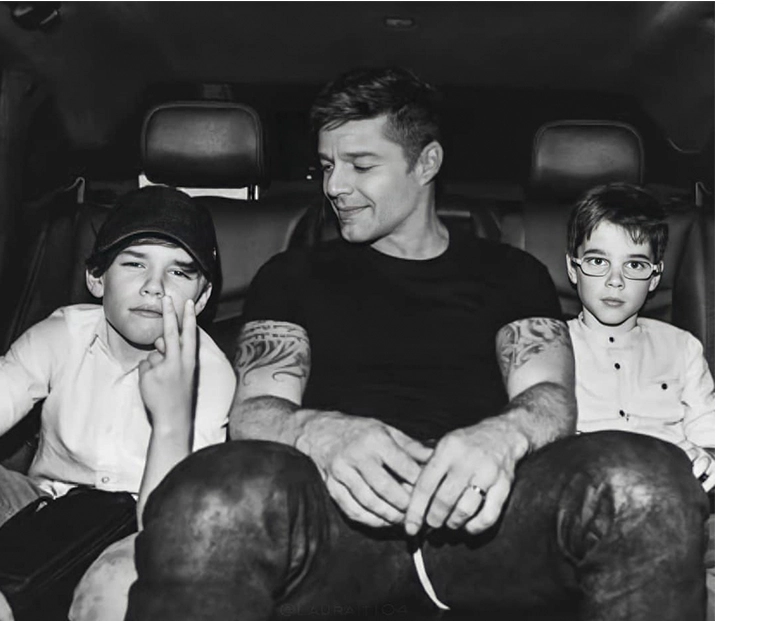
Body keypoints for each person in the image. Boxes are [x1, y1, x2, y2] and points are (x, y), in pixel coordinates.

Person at [126, 68, 709, 621]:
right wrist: (319, 433)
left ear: (426, 162)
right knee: (208, 492)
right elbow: (257, 408)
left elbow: (550, 398)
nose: (334, 186)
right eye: (327, 165)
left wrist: (502, 437)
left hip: (487, 520)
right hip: (335, 519)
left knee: (646, 477)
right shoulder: (291, 276)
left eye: (361, 165)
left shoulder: (512, 274)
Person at [0, 186, 235, 621]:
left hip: (135, 529)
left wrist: (171, 415)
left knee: (119, 590)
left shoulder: (211, 373)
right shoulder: (63, 333)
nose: (154, 287)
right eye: (134, 263)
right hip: (40, 507)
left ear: (200, 299)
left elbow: (168, 532)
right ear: (96, 278)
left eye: (179, 272)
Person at [564, 182, 715, 618]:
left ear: (655, 276)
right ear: (573, 268)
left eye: (634, 265)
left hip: (683, 501)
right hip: (591, 508)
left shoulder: (681, 347)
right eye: (598, 261)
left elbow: (710, 434)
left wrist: (708, 457)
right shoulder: (551, 347)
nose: (615, 281)